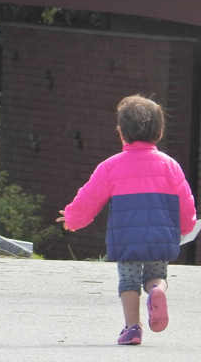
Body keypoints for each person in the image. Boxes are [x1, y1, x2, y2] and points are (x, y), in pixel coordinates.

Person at [58, 95, 197, 346]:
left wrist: (72, 219)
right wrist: (186, 227)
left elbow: (90, 198)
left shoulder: (111, 166)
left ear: (121, 133)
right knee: (156, 275)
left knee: (129, 282)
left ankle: (133, 328)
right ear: (160, 131)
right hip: (161, 236)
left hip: (127, 238)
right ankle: (157, 291)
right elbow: (185, 203)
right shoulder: (171, 166)